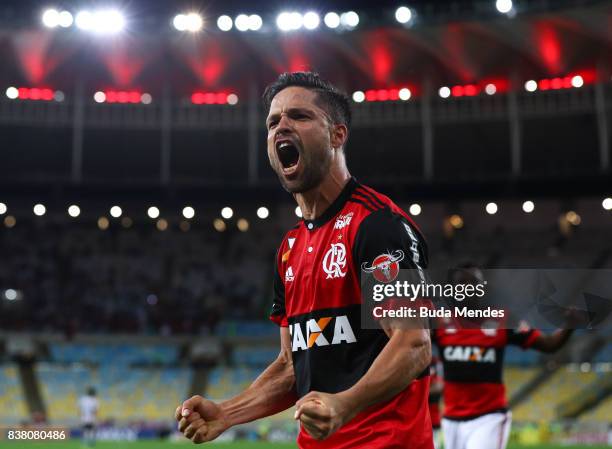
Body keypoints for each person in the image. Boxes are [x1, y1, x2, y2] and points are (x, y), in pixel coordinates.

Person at [175, 72, 433, 448]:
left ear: (337, 135)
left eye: (299, 116)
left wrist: (345, 404)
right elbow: (291, 365)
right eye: (273, 121)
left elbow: (413, 343)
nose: (282, 126)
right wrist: (228, 412)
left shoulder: (377, 225)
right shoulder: (290, 248)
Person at [432, 264, 574, 449]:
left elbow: (549, 345)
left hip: (488, 417)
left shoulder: (503, 319)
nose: (468, 287)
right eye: (461, 282)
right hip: (451, 419)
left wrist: (570, 324)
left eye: (474, 282)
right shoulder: (439, 321)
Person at [429, 356, 444, 449]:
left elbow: (440, 387)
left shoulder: (438, 380)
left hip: (434, 419)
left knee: (436, 445)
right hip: (427, 419)